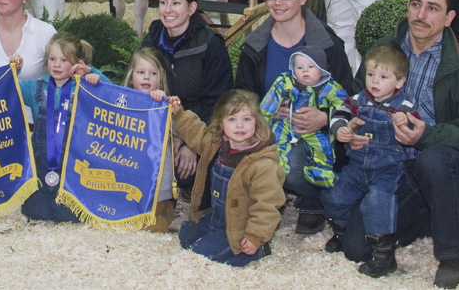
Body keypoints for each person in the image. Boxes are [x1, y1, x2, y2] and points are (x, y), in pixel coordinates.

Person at [342, 0, 459, 290]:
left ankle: (454, 255)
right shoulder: (384, 50)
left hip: (442, 161)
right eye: (416, 4)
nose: (421, 15)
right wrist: (353, 124)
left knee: (434, 160)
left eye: (432, 8)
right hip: (392, 166)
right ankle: (435, 208)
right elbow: (356, 96)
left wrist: (427, 135)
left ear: (450, 17)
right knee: (357, 248)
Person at [235, 0, 353, 234]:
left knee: (293, 163)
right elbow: (242, 98)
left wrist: (324, 117)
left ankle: (314, 201)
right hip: (269, 130)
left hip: (319, 138)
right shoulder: (255, 46)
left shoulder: (327, 45)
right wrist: (264, 114)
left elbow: (350, 97)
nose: (277, 3)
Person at [322, 45, 419, 278]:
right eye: (370, 74)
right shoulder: (358, 99)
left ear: (399, 83)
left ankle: (384, 255)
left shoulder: (404, 106)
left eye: (383, 77)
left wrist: (405, 123)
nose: (375, 81)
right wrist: (341, 129)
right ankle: (341, 231)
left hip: (387, 167)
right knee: (334, 195)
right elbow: (339, 112)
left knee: (379, 203)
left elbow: (415, 127)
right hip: (357, 165)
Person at [141, 0, 233, 197]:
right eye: (163, 2)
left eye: (176, 3)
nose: (167, 10)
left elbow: (218, 103)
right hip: (160, 127)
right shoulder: (152, 40)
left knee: (186, 174)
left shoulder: (210, 45)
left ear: (192, 8)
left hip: (199, 126)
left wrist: (190, 143)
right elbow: (136, 87)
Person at [172, 89, 285, 266]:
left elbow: (268, 204)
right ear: (221, 123)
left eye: (246, 119)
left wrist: (255, 236)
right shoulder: (216, 144)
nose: (239, 126)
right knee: (186, 238)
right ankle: (215, 235)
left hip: (239, 228)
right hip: (218, 218)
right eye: (232, 119)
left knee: (200, 254)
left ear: (257, 122)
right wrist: (179, 114)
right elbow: (197, 133)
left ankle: (257, 250)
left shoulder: (262, 164)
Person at [18, 32, 109, 222]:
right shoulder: (34, 88)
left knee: (69, 215)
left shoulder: (84, 89)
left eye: (63, 60)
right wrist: (15, 69)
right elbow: (9, 87)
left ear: (76, 63)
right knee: (35, 212)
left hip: (73, 166)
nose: (57, 64)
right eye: (52, 59)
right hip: (41, 166)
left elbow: (111, 94)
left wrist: (92, 72)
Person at [259, 46, 347, 191]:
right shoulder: (286, 81)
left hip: (316, 130)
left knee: (323, 146)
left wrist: (332, 120)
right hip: (287, 122)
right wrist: (264, 120)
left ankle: (321, 170)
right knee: (277, 137)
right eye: (299, 67)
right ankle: (277, 166)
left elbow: (343, 106)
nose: (305, 71)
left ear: (322, 69)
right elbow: (269, 102)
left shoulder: (330, 87)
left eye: (311, 67)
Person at [121, 47, 176, 233]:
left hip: (158, 182)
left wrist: (166, 104)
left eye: (153, 73)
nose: (146, 77)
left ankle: (164, 213)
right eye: (141, 72)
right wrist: (93, 76)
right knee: (123, 216)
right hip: (129, 179)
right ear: (131, 77)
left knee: (150, 224)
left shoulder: (164, 105)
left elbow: (179, 127)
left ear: (160, 79)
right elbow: (102, 95)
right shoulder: (123, 103)